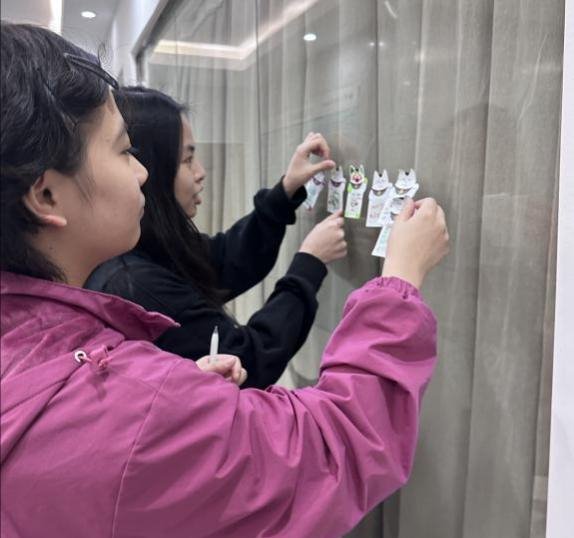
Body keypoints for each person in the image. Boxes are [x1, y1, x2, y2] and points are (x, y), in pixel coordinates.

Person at [0, 22, 449, 538]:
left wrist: (180, 401)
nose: (143, 172)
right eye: (125, 152)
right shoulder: (124, 311)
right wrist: (399, 282)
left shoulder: (42, 342)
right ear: (47, 196)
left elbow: (220, 261)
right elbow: (330, 450)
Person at [85, 86, 347, 389]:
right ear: (151, 171)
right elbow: (247, 359)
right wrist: (309, 263)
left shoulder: (143, 247)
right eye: (187, 160)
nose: (200, 172)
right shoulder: (133, 283)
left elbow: (223, 260)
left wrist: (285, 193)